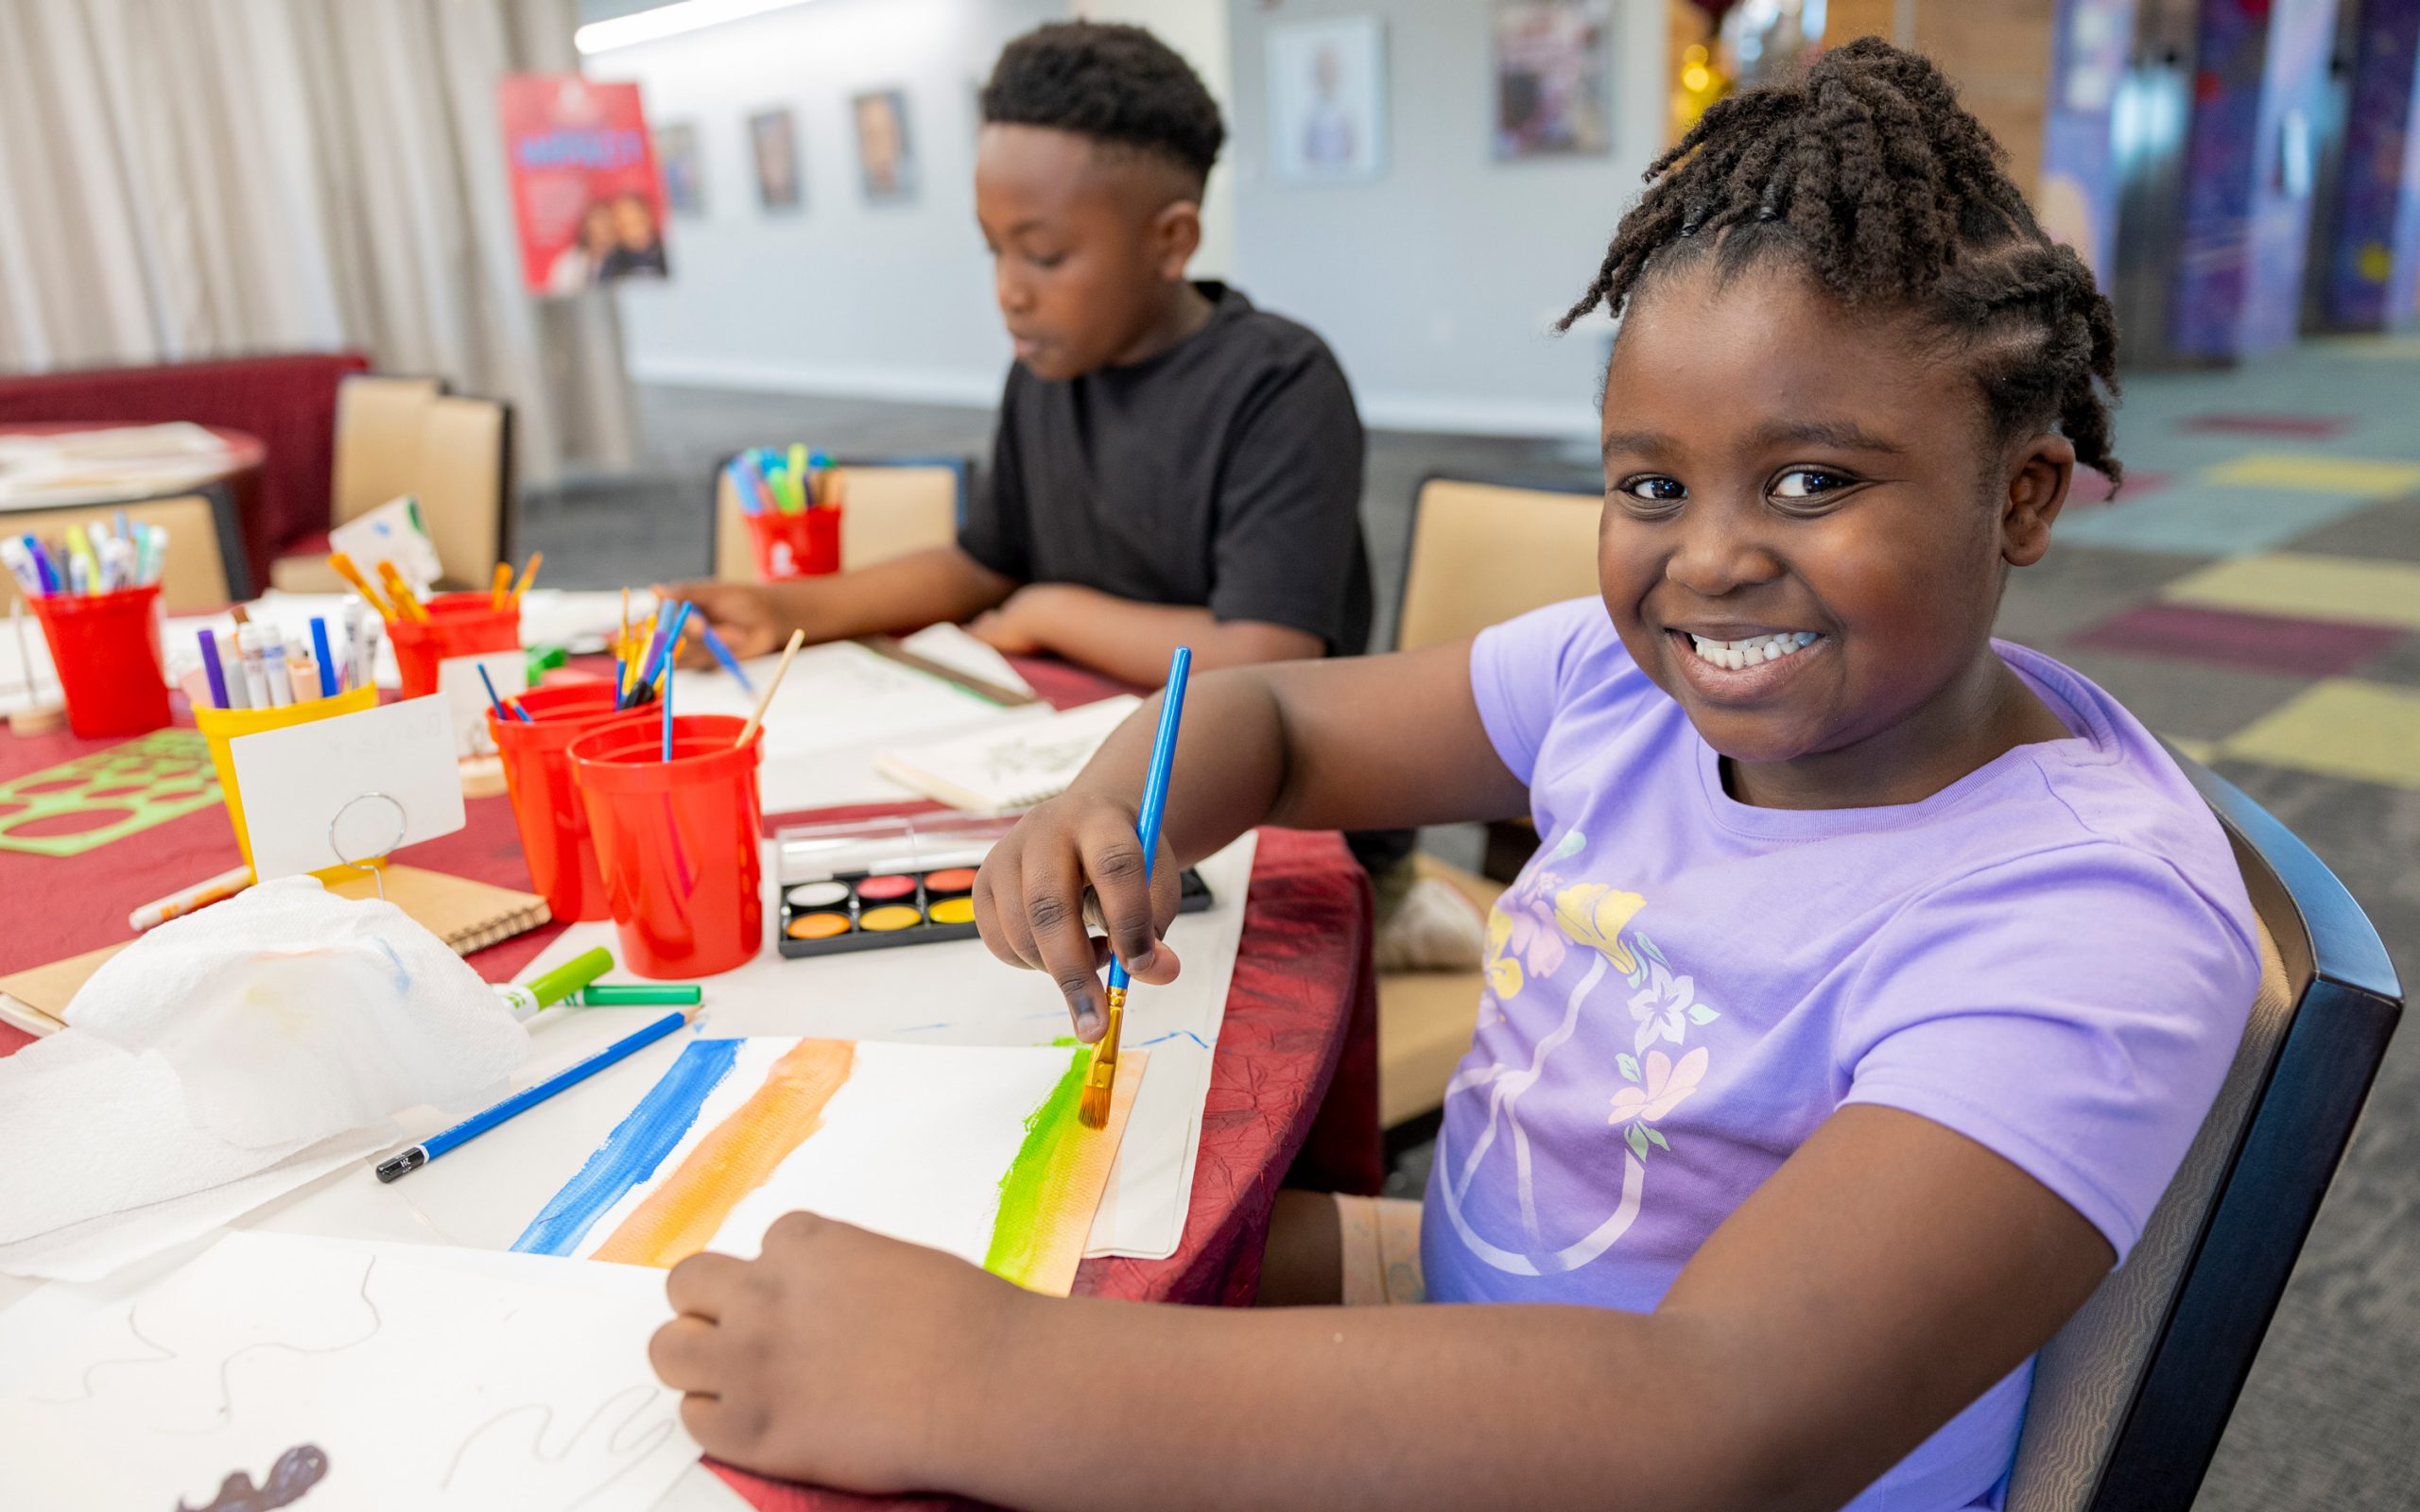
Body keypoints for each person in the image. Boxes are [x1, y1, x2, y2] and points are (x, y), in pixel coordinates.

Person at [645, 42, 2262, 1511]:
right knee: (964, 1245)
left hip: (1657, 1445)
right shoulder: (1619, 683)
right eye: (1651, 485)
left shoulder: (2087, 913)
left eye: (1813, 480)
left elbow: (1720, 1422)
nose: (1709, 560)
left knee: (980, 1376)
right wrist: (1114, 797)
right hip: (1465, 1287)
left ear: (2025, 496)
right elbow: (1276, 722)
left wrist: (984, 1381)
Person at [666, 23, 1464, 964]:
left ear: (1170, 240)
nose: (1010, 291)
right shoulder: (1045, 372)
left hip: (1273, 817)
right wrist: (787, 607)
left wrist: (1050, 610)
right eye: (994, 252)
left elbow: (1260, 656)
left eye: (1042, 256)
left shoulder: (1279, 384)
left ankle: (1403, 915)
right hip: (1086, 768)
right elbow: (982, 561)